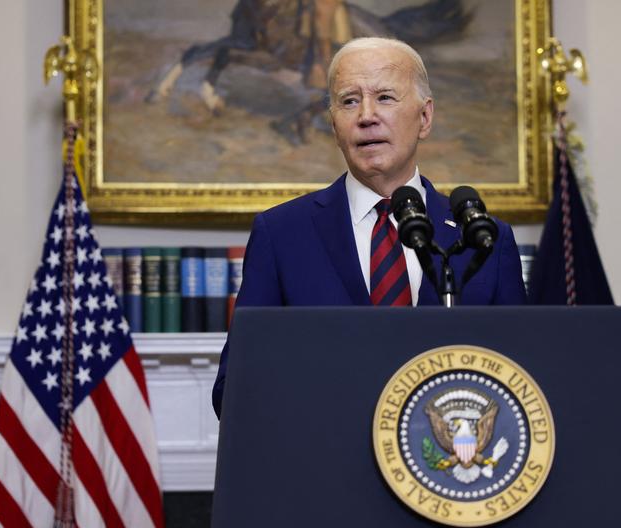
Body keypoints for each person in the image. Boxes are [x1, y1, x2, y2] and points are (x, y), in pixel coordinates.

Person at [212, 37, 526, 417]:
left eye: (385, 98)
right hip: (322, 465)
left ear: (424, 118)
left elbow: (520, 383)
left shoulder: (482, 239)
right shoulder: (281, 235)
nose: (366, 116)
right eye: (349, 101)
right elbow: (235, 388)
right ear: (333, 125)